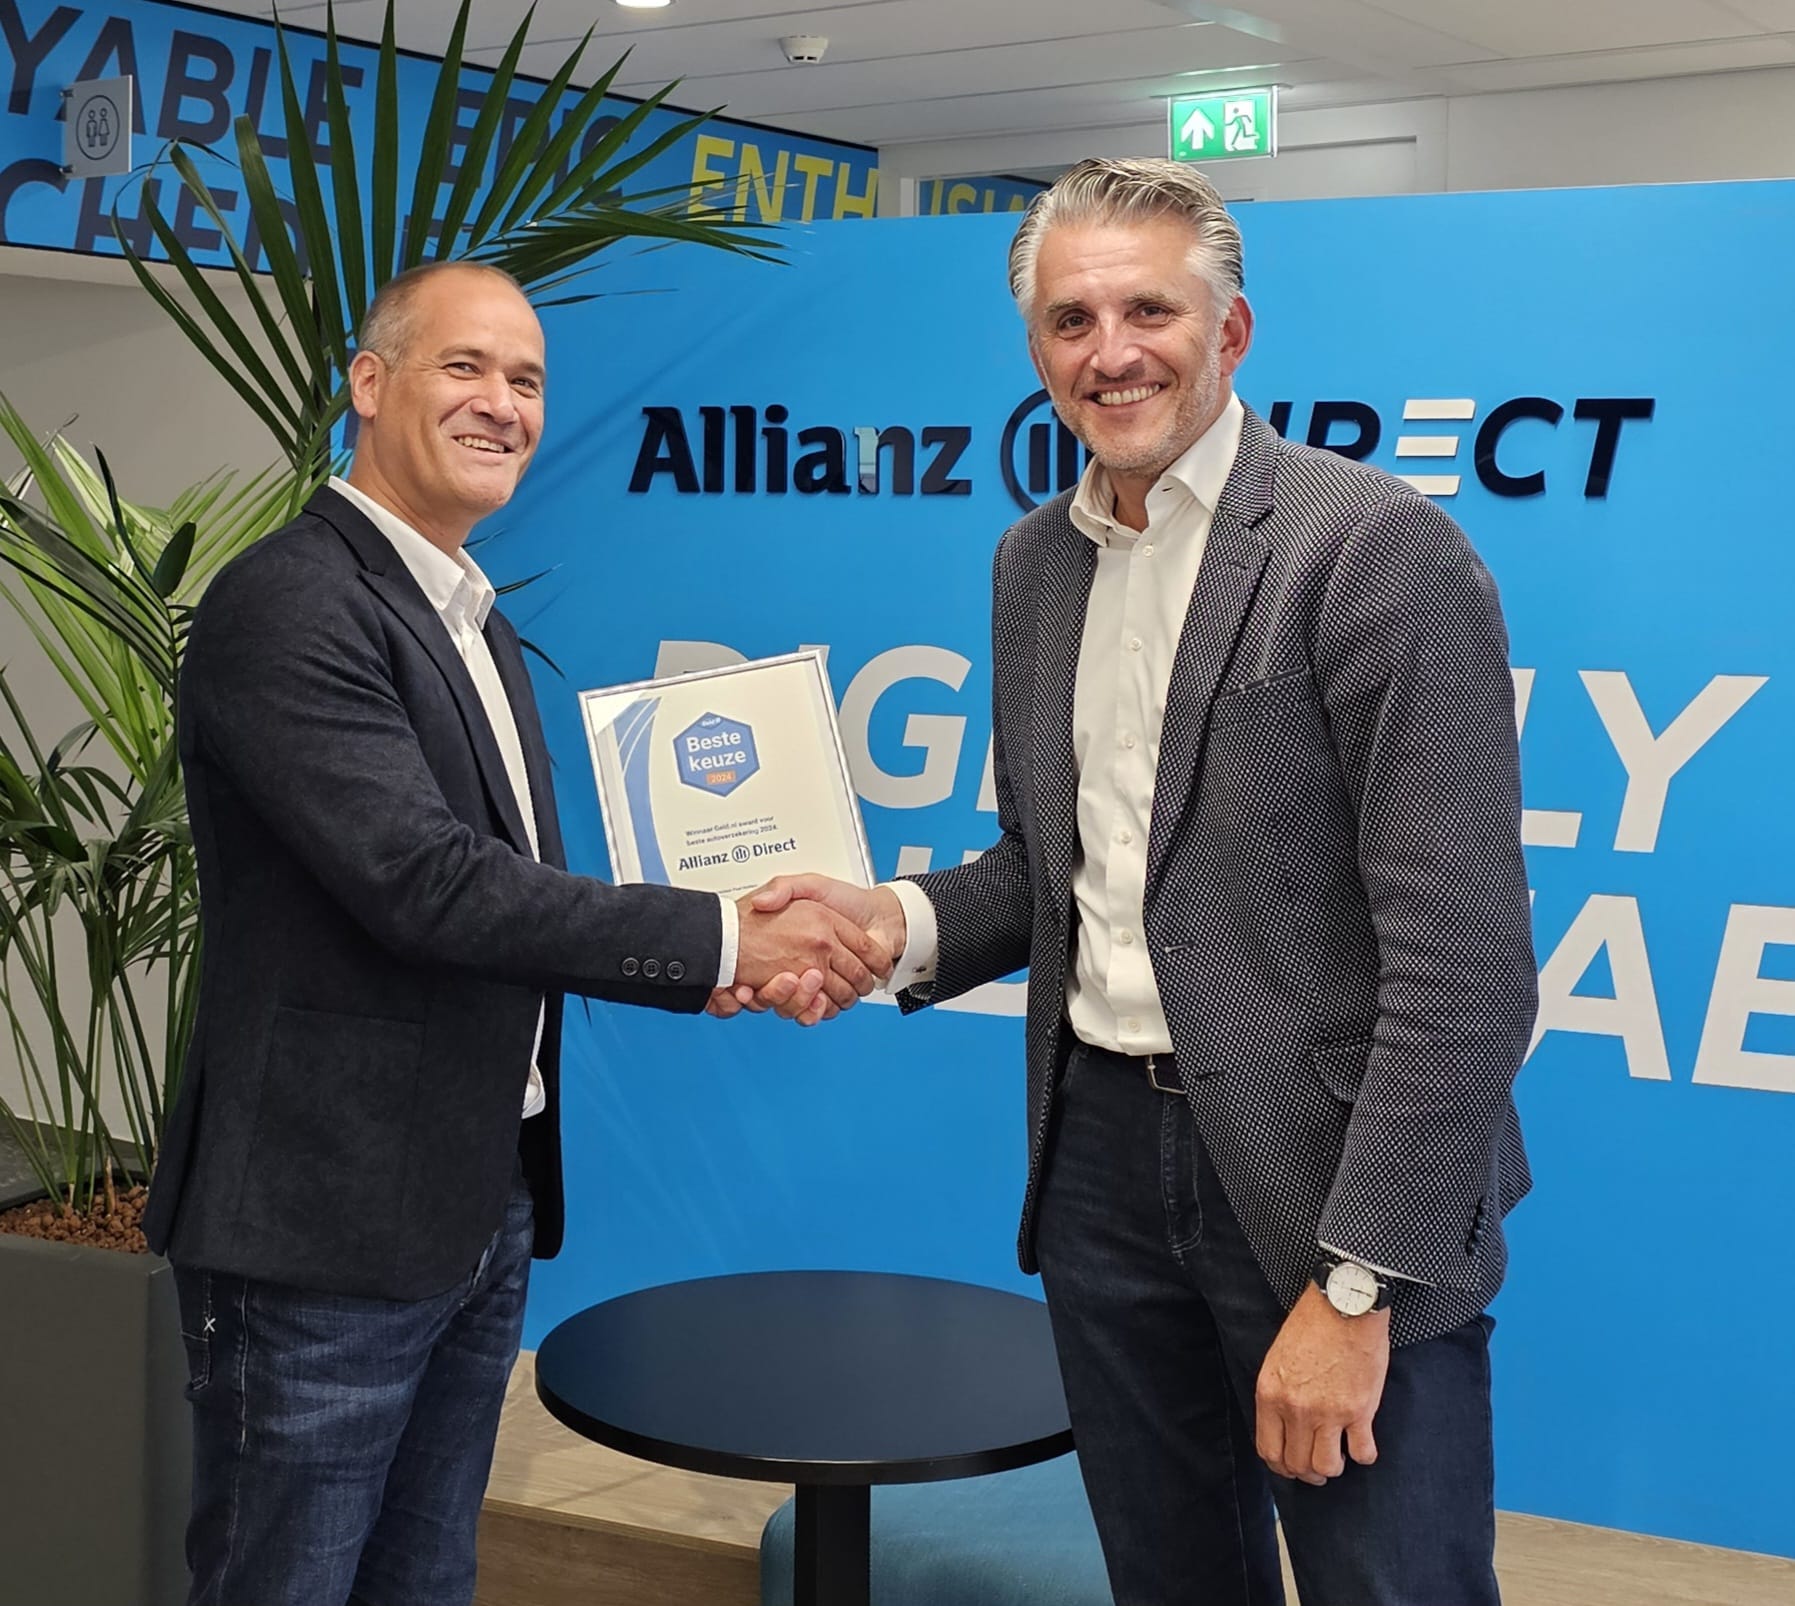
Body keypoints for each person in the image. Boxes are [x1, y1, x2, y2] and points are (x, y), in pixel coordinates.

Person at [728, 158, 1538, 1606]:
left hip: (1329, 1180)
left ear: (1230, 332)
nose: (1111, 352)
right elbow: (1053, 869)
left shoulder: (1372, 548)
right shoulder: (1035, 563)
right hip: (1100, 1158)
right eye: (1071, 319)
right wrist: (890, 924)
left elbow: (1465, 968)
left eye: (1148, 311)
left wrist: (1357, 1283)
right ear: (1037, 350)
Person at [145, 260, 888, 1606]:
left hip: (474, 1198)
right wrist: (729, 942)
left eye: (528, 380)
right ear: (369, 384)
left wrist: (707, 957)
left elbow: (506, 896)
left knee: (425, 1578)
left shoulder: (469, 618)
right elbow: (428, 886)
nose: (503, 403)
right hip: (323, 1231)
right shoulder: (293, 601)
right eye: (466, 366)